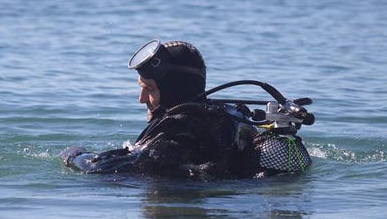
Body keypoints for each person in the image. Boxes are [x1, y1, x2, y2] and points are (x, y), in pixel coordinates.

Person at [63, 39, 312, 179]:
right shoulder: (228, 115)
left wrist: (75, 156)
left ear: (173, 90)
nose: (141, 99)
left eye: (149, 88)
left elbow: (105, 171)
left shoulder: (178, 128)